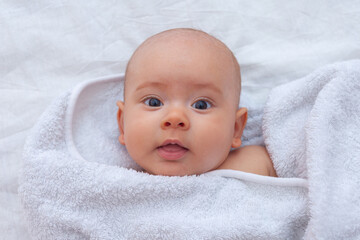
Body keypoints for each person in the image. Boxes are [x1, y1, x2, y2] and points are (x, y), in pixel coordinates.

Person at [116, 28, 277, 177]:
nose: (175, 118)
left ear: (235, 128)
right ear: (123, 123)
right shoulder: (116, 186)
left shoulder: (253, 165)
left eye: (201, 105)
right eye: (153, 102)